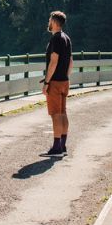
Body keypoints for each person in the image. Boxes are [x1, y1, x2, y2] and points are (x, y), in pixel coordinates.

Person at [41, 10, 72, 157]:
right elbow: (71, 61)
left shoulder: (55, 39)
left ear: (53, 21)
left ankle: (56, 148)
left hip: (55, 82)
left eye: (50, 20)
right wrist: (65, 76)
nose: (49, 22)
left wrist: (47, 82)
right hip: (64, 81)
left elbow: (53, 62)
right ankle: (63, 146)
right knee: (63, 113)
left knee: (55, 114)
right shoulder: (66, 38)